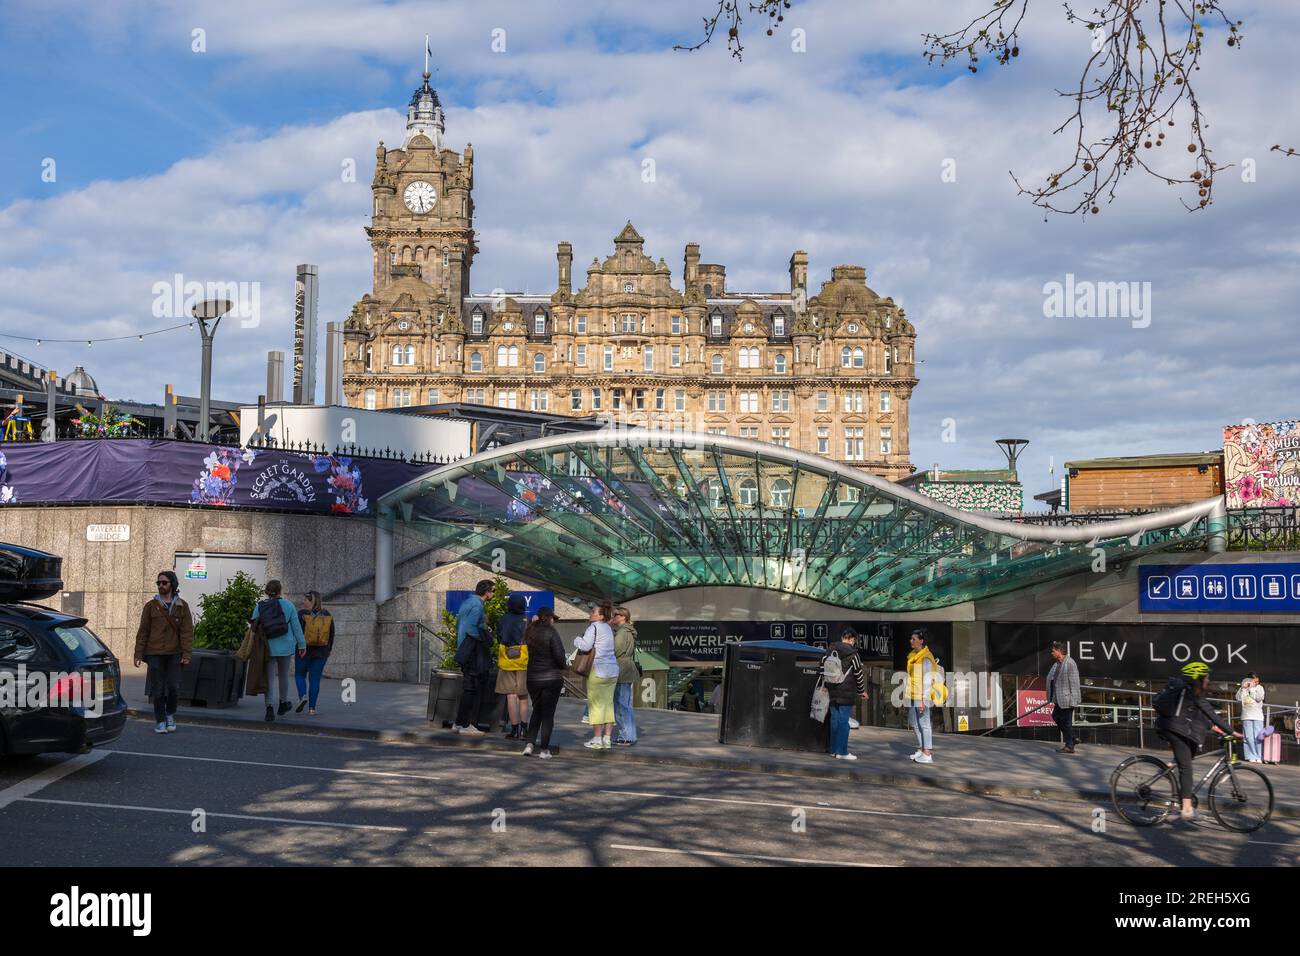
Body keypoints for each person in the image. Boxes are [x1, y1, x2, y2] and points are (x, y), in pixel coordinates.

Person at [1154, 661, 1242, 822]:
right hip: (1173, 728)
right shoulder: (1193, 693)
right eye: (1206, 677)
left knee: (1190, 751)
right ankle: (1186, 809)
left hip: (1171, 726)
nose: (1208, 681)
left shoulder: (1188, 693)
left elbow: (1201, 718)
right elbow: (1211, 714)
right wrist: (1233, 732)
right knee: (1187, 768)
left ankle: (1169, 766)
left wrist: (1219, 730)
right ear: (1198, 678)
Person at [133, 570, 193, 734]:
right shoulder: (151, 606)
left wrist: (186, 654)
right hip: (155, 653)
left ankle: (170, 715)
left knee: (173, 686)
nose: (161, 585)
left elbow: (187, 632)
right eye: (158, 583)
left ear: (172, 585)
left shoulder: (182, 606)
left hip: (174, 653)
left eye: (164, 582)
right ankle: (160, 721)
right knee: (158, 689)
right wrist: (138, 654)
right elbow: (143, 631)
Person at [249, 579, 305, 722]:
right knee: (283, 676)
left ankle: (269, 709)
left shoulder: (260, 607)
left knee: (269, 678)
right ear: (280, 591)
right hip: (286, 647)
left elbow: (253, 626)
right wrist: (302, 645)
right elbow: (297, 628)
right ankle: (283, 703)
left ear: (267, 592)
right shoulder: (289, 605)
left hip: (268, 647)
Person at [522, 607, 567, 758]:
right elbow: (560, 655)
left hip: (533, 678)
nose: (554, 621)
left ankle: (529, 744)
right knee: (548, 715)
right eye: (553, 618)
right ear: (547, 618)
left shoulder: (529, 632)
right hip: (551, 678)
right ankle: (544, 750)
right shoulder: (552, 632)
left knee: (537, 710)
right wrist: (563, 667)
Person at [452, 579, 494, 735]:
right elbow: (471, 628)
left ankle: (458, 723)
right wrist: (484, 636)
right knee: (471, 690)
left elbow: (460, 625)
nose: (493, 594)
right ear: (487, 592)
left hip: (464, 649)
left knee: (468, 689)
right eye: (493, 591)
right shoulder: (477, 606)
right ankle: (466, 724)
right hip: (472, 652)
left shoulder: (467, 603)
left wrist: (483, 624)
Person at [575, 602, 618, 749]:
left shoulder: (593, 627)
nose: (590, 614)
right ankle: (607, 738)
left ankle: (597, 739)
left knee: (596, 705)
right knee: (609, 704)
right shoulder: (608, 628)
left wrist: (577, 640)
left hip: (598, 670)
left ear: (600, 615)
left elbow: (585, 646)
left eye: (593, 612)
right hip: (612, 671)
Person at [825, 628, 868, 760]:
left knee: (834, 720)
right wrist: (861, 691)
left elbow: (822, 667)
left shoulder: (830, 650)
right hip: (847, 691)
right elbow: (858, 674)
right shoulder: (853, 654)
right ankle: (842, 752)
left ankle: (833, 749)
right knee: (844, 721)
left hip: (832, 689)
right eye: (854, 640)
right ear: (851, 639)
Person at [496, 593, 531, 739]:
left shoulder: (503, 619)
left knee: (511, 696)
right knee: (523, 696)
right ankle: (524, 730)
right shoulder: (526, 620)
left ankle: (514, 729)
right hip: (522, 659)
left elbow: (498, 636)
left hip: (506, 660)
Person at [295, 591, 333, 716]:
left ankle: (302, 696)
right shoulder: (327, 614)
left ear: (312, 601)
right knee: (315, 680)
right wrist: (328, 651)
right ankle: (312, 709)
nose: (303, 602)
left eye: (305, 600)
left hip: (303, 651)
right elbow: (331, 635)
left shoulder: (301, 614)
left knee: (300, 675)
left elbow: (297, 633)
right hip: (321, 652)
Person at [904, 628, 939, 764]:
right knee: (914, 722)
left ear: (921, 641)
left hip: (922, 696)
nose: (911, 641)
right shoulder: (914, 655)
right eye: (911, 638)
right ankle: (921, 748)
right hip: (913, 693)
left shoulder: (925, 657)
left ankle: (927, 753)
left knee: (924, 723)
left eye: (914, 639)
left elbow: (927, 680)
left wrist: (924, 700)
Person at [1046, 641, 1081, 754]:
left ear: (1059, 651)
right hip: (1058, 699)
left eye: (1053, 651)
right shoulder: (1057, 664)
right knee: (1056, 717)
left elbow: (1075, 682)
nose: (1052, 653)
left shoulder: (1070, 663)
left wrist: (1074, 700)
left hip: (1067, 699)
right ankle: (1073, 738)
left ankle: (1069, 746)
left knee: (1066, 722)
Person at [611, 606, 639, 746]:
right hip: (626, 669)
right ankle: (629, 735)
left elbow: (615, 651)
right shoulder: (627, 631)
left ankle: (626, 736)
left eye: (616, 615)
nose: (613, 617)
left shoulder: (622, 633)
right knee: (625, 705)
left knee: (621, 705)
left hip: (621, 670)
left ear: (623, 617)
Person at [1236, 673, 1266, 764]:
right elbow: (1237, 698)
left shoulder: (1259, 688)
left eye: (1257, 681)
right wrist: (1242, 688)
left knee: (1258, 737)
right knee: (1248, 736)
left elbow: (1259, 698)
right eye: (1254, 681)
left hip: (1257, 716)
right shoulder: (1244, 687)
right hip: (1246, 715)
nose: (1257, 682)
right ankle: (1250, 756)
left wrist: (1252, 689)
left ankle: (1258, 756)